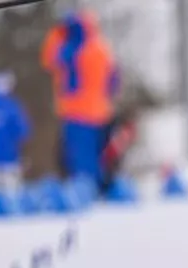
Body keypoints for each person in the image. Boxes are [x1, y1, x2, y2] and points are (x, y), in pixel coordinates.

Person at [41, 11, 119, 188]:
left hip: (77, 112)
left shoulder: (74, 48)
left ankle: (85, 190)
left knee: (80, 156)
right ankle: (97, 187)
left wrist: (57, 32)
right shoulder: (102, 48)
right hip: (101, 111)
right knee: (95, 155)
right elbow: (114, 80)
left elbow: (49, 58)